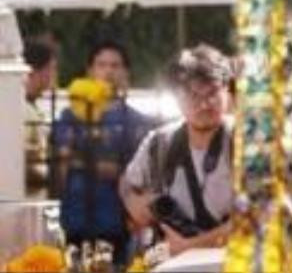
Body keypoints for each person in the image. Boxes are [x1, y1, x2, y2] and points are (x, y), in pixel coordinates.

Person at [120, 45, 235, 259]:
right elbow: (127, 183)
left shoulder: (247, 143)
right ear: (177, 98)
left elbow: (260, 217)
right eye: (193, 95)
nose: (204, 104)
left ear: (227, 91)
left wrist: (191, 246)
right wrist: (136, 204)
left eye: (212, 93)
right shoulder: (158, 144)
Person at [52, 40, 151, 264]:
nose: (108, 71)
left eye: (115, 65)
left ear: (126, 72)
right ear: (90, 70)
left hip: (116, 227)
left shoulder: (137, 122)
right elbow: (60, 163)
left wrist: (84, 161)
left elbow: (138, 176)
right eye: (102, 64)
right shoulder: (70, 116)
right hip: (74, 223)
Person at [23, 37, 58, 198]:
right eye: (52, 68)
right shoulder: (23, 111)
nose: (54, 75)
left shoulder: (30, 108)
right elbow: (20, 162)